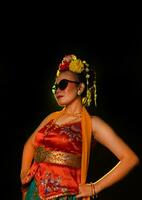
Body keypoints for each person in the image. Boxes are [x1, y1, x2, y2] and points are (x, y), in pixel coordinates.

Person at [20, 54, 139, 200]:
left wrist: (95, 187)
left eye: (63, 84)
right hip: (34, 194)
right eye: (55, 87)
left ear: (80, 88)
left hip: (64, 196)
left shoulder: (92, 123)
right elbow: (30, 145)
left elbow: (130, 158)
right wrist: (24, 177)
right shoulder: (50, 119)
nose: (58, 90)